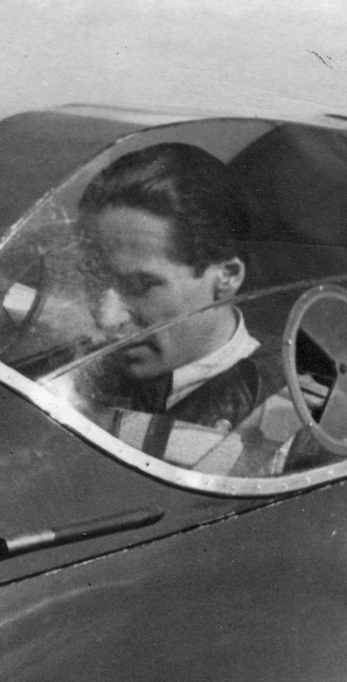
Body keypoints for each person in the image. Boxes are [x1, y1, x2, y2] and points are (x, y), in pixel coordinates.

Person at [75, 143, 301, 472]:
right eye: (94, 280)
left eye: (141, 286)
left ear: (227, 276)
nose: (106, 319)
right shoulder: (75, 376)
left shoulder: (299, 416)